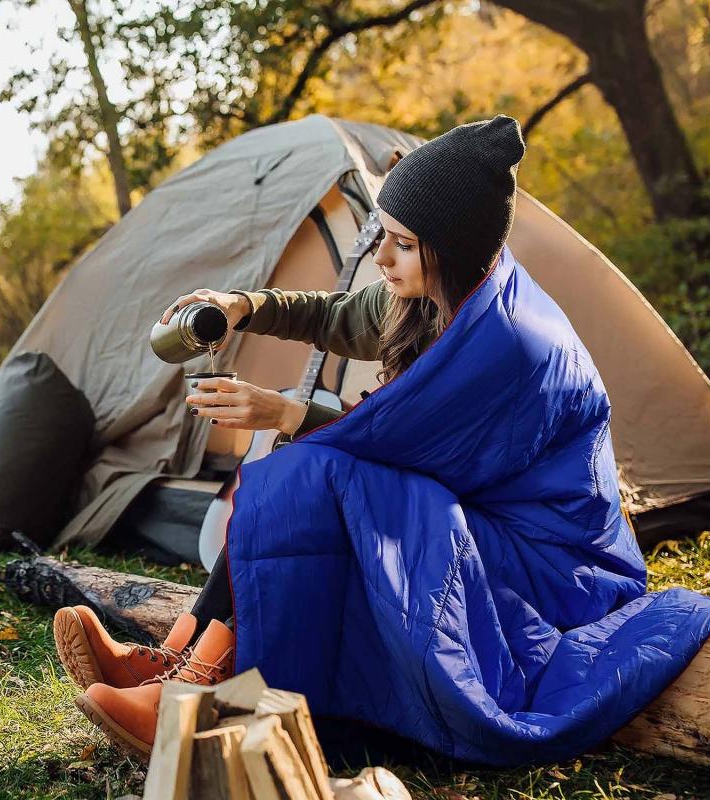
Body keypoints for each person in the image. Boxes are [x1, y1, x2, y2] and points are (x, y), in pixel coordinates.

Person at [54, 115, 529, 757]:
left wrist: (282, 414)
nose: (383, 259)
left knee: (305, 474)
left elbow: (423, 459)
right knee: (293, 471)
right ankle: (173, 661)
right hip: (436, 504)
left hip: (504, 545)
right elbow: (328, 314)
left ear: (456, 250)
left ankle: (205, 690)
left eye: (404, 244)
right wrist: (242, 304)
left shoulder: (495, 345)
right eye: (383, 237)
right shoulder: (418, 301)